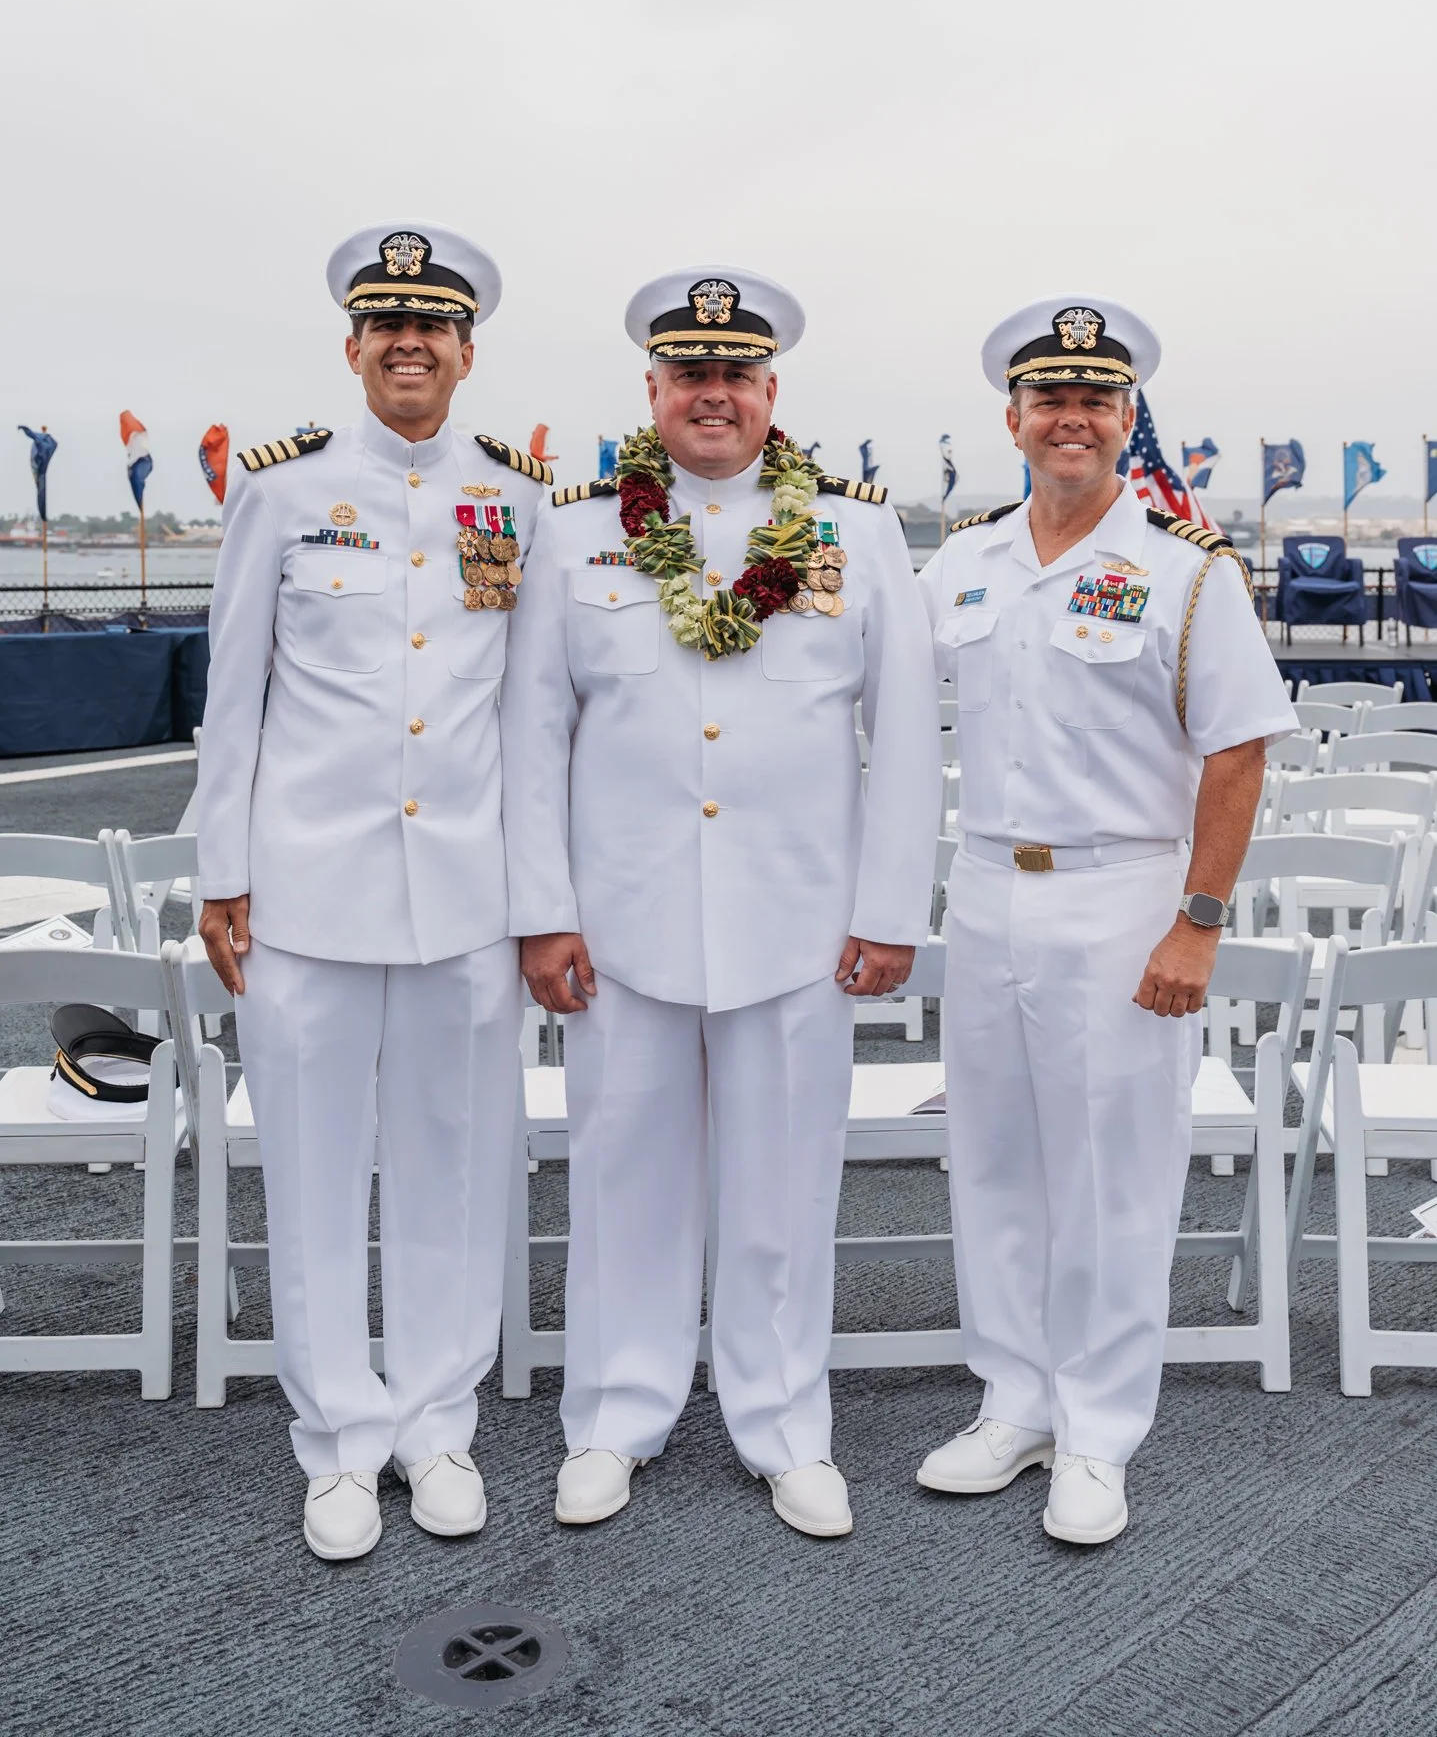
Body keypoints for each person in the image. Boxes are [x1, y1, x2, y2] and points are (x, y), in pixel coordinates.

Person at [500, 268, 941, 1539]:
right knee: (621, 1184)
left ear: (770, 392)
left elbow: (904, 735)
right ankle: (613, 1418)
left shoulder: (855, 536)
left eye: (734, 374)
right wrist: (544, 910)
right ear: (652, 389)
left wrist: (890, 908)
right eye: (689, 373)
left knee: (785, 1192)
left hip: (800, 927)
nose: (712, 394)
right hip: (621, 928)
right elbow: (535, 735)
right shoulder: (578, 530)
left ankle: (786, 1422)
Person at [915, 298, 1297, 1545]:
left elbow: (1238, 753)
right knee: (998, 1163)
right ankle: (1015, 1400)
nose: (1071, 418)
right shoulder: (961, 565)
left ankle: (1098, 1432)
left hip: (1124, 892)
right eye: (1049, 399)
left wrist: (1197, 923)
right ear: (1013, 419)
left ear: (1127, 422)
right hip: (986, 890)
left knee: (1116, 1176)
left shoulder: (1187, 574)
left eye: (1096, 400)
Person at [195, 224, 551, 1561]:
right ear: (352, 349)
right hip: (307, 897)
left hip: (464, 898)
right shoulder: (282, 493)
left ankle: (436, 1422)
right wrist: (221, 872)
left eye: (434, 326)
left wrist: (537, 899)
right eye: (385, 324)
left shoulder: (517, 501)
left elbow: (528, 719)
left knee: (457, 1170)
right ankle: (340, 1439)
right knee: (315, 1169)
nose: (410, 343)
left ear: (467, 352)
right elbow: (234, 699)